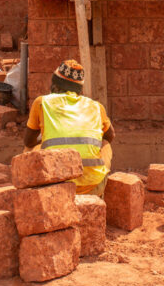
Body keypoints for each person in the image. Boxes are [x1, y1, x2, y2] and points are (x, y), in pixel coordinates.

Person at [22, 60, 114, 196]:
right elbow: (110, 136)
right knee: (105, 144)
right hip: (92, 187)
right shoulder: (96, 106)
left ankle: (33, 194)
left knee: (30, 149)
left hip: (54, 186)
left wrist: (46, 141)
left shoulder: (41, 102)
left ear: (54, 84)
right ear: (80, 90)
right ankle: (98, 198)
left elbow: (28, 141)